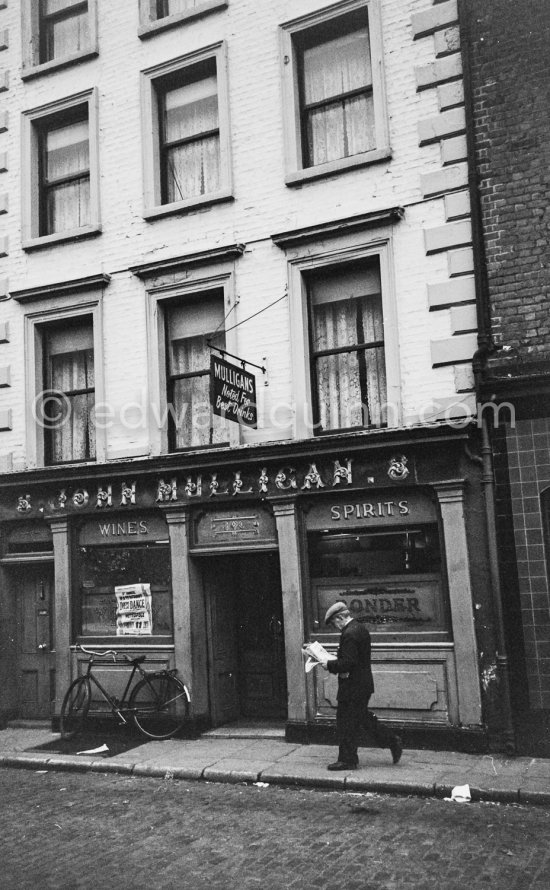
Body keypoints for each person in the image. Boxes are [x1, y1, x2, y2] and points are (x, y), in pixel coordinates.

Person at [320, 601, 403, 771]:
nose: (335, 626)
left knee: (346, 723)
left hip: (353, 686)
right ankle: (392, 740)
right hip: (361, 684)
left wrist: (328, 664)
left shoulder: (349, 633)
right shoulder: (359, 628)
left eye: (335, 622)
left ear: (341, 617)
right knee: (362, 719)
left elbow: (348, 663)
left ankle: (348, 760)